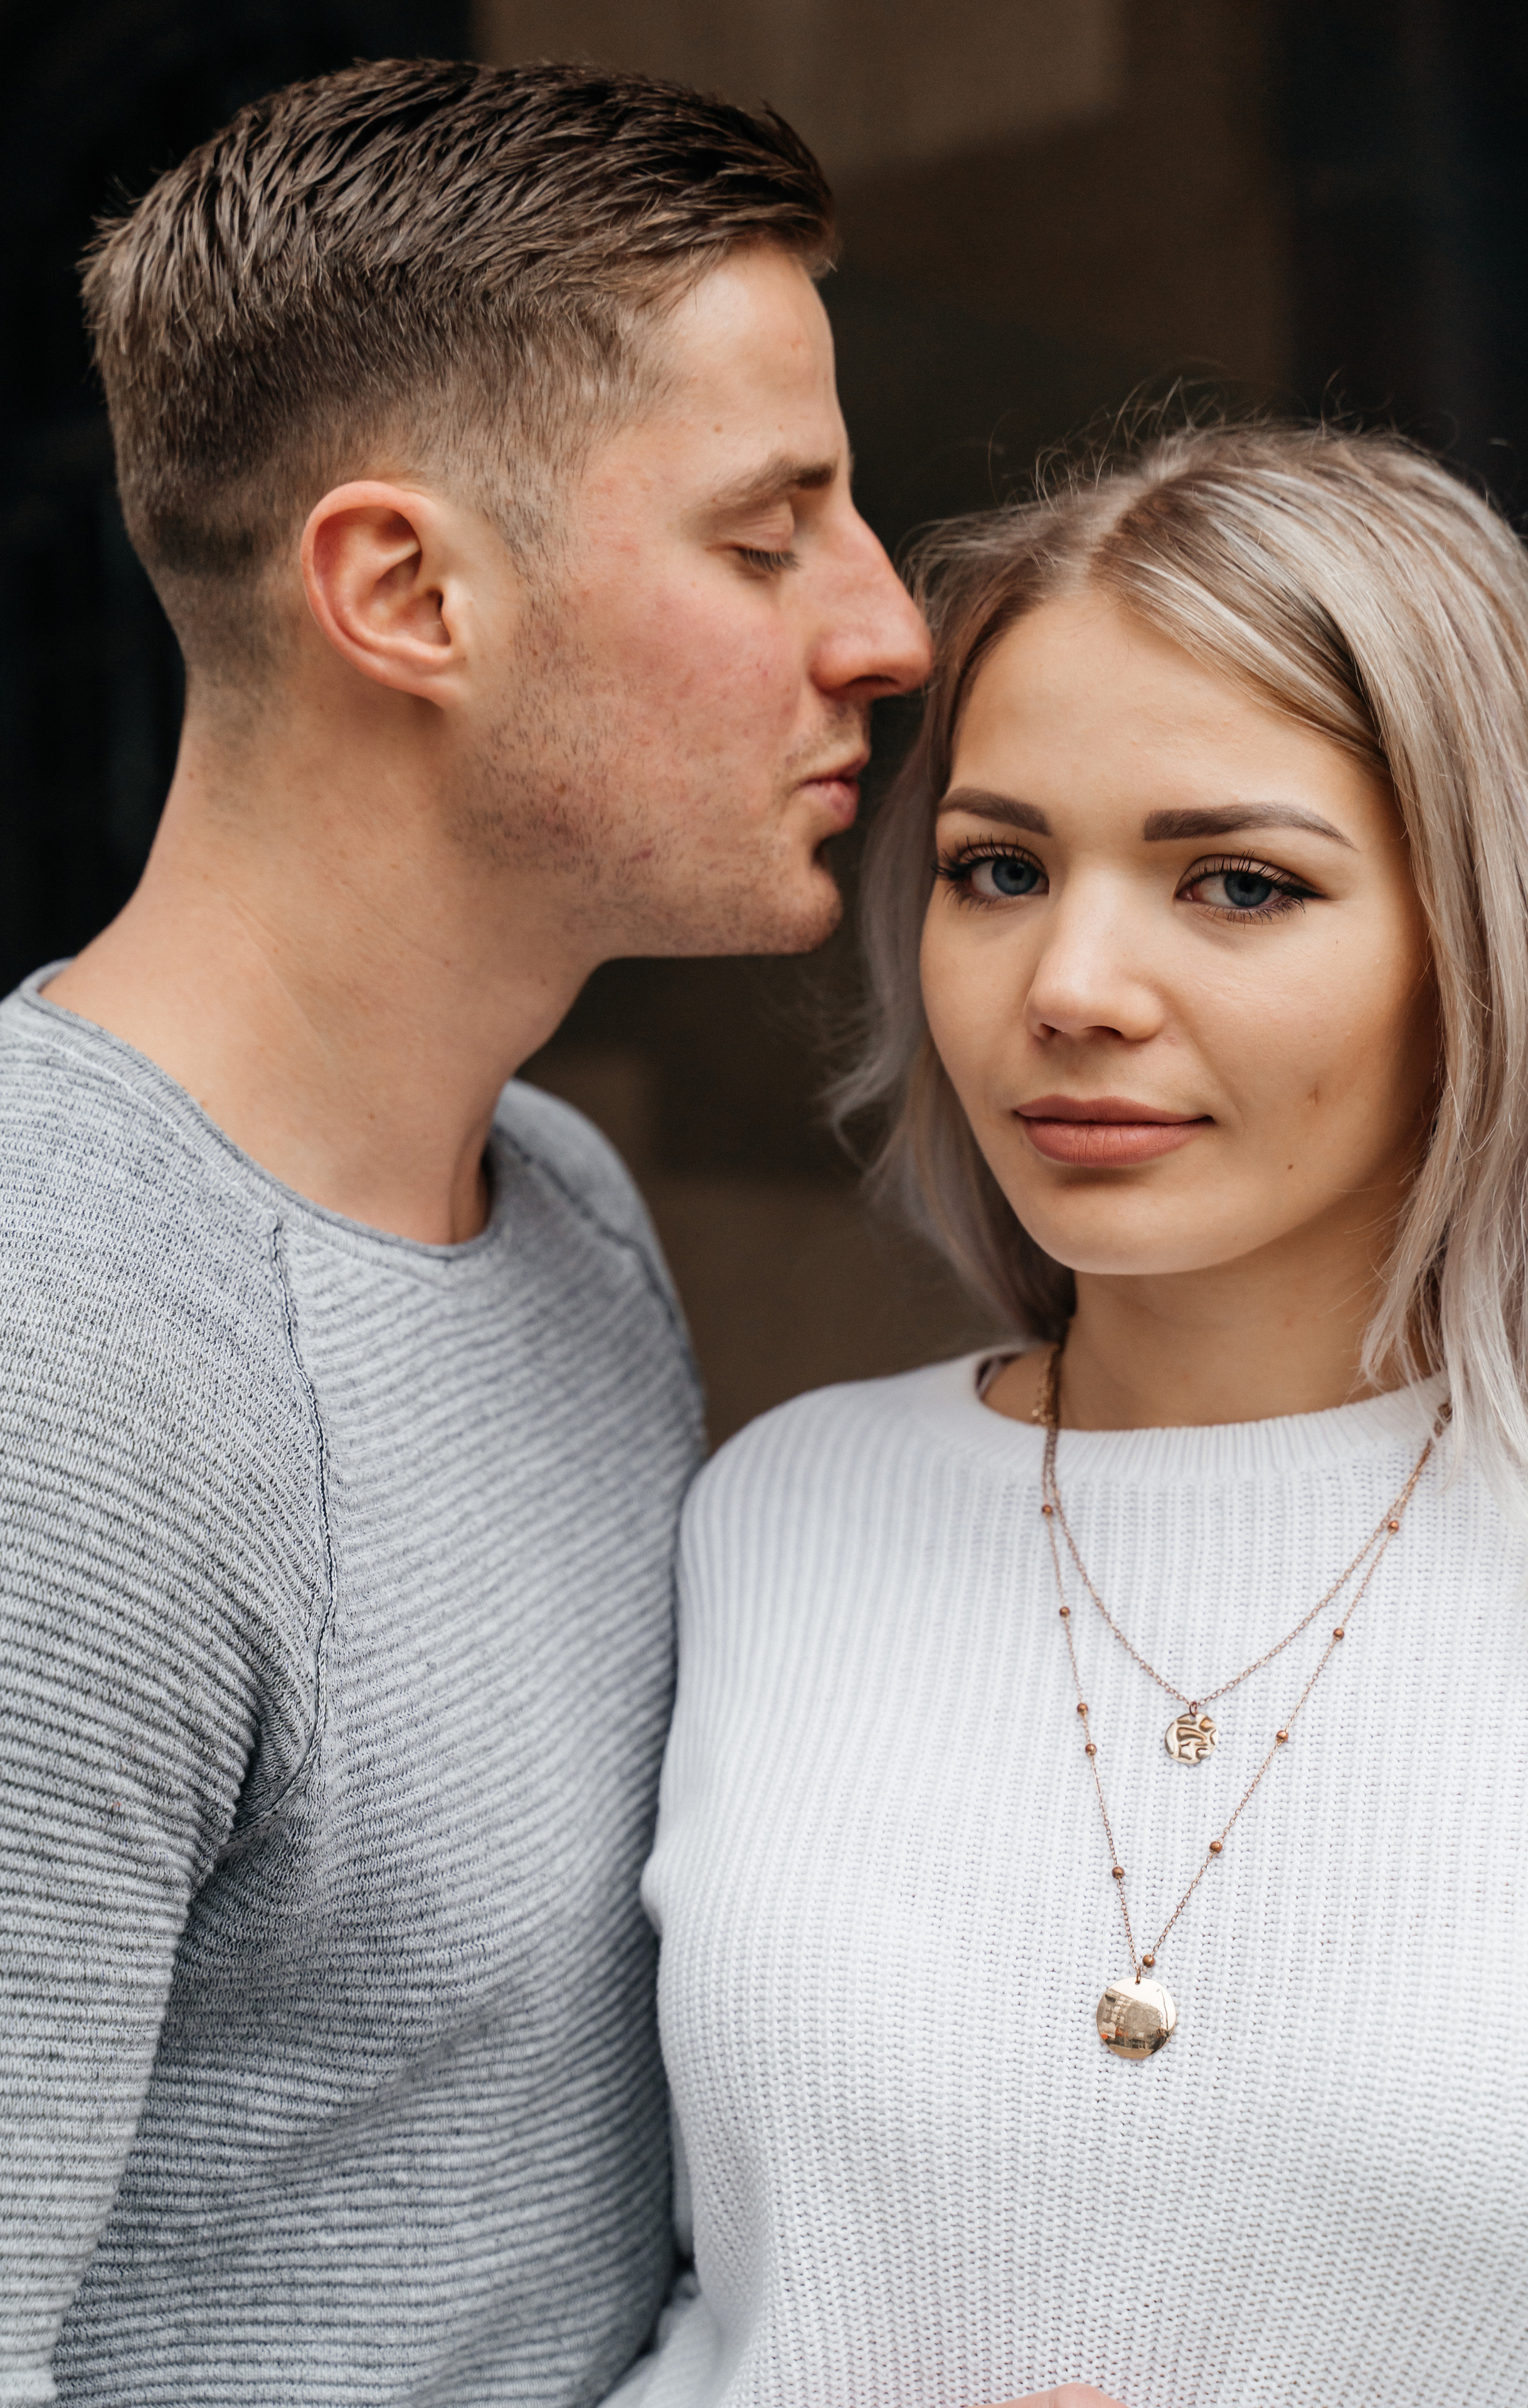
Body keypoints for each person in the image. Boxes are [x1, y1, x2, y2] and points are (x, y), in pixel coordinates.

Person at [0, 57, 928, 2404]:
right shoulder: (62, 1388)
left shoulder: (565, 1212)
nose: (889, 627)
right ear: (407, 591)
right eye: (770, 530)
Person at [627, 423, 1528, 2408]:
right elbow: (701, 2314)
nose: (1069, 984)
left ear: (1481, 943)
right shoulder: (782, 1514)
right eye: (1000, 870)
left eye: (1236, 883)